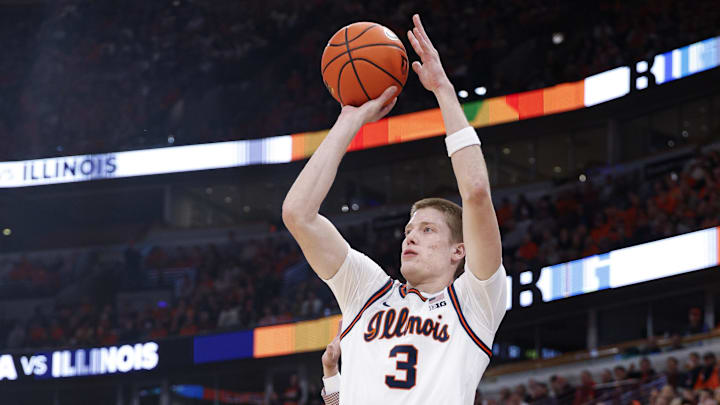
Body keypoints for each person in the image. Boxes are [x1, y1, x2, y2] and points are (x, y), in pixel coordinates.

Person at [283, 14, 506, 404]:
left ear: (460, 249)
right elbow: (298, 214)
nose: (411, 237)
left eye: (428, 230)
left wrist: (443, 90)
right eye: (409, 230)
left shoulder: (474, 303)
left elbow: (475, 192)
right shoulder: (367, 291)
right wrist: (349, 120)